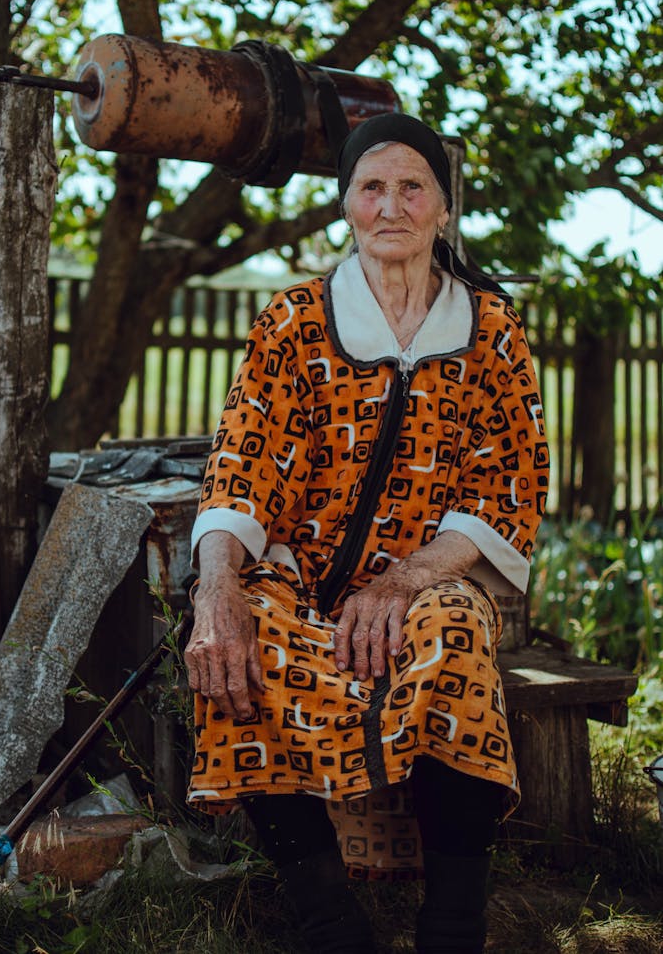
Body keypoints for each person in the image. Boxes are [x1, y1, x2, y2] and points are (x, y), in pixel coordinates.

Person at [183, 113, 549, 953]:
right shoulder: (295, 322)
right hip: (299, 573)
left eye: (413, 186)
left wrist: (403, 579)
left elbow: (510, 485)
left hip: (429, 575)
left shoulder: (492, 333)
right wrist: (217, 586)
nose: (392, 205)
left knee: (455, 643)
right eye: (372, 187)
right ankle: (330, 925)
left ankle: (453, 927)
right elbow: (241, 458)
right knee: (244, 649)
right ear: (347, 205)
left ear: (444, 211)